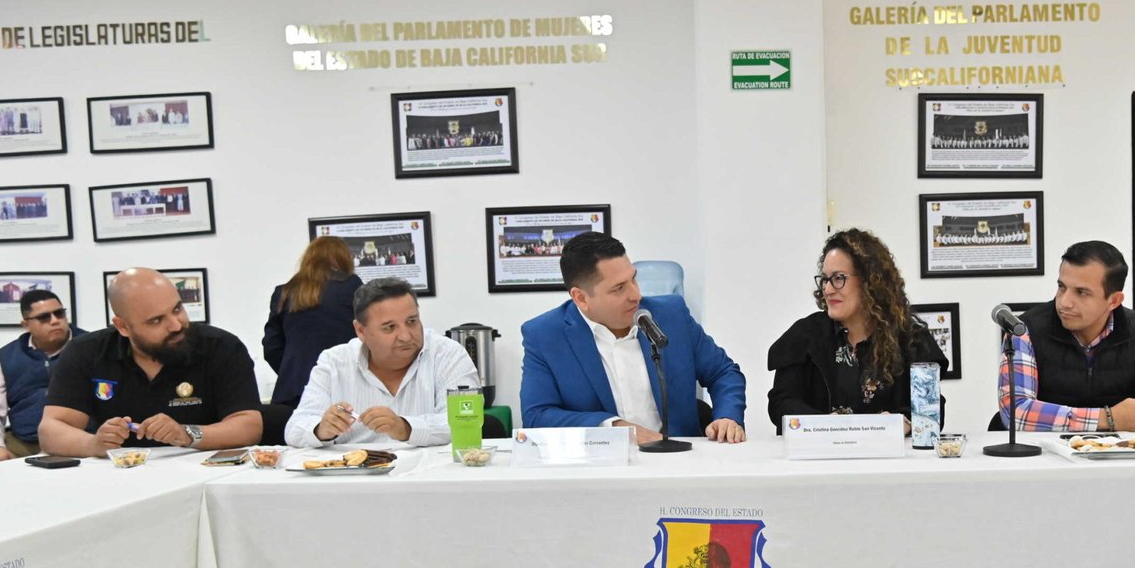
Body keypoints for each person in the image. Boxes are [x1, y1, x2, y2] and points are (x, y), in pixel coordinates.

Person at [519, 232, 746, 443]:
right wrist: (615, 427)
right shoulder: (544, 335)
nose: (636, 295)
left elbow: (723, 372)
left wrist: (727, 417)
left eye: (634, 279)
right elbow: (537, 415)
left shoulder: (672, 315)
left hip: (678, 458)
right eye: (619, 288)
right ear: (581, 298)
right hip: (598, 464)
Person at [39, 269, 263, 455]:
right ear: (123, 327)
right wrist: (94, 444)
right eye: (156, 320)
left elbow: (249, 426)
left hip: (203, 471)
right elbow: (51, 430)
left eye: (177, 309)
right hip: (119, 474)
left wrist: (187, 434)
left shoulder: (221, 347)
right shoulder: (86, 352)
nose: (176, 325)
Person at [767, 227, 946, 432]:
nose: (827, 289)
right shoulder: (806, 335)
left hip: (891, 452)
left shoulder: (912, 339)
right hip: (820, 450)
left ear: (870, 281)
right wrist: (824, 424)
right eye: (825, 279)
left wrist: (902, 423)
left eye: (838, 278)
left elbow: (930, 410)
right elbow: (781, 403)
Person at [999, 240, 1135, 431]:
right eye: (1062, 287)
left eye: (1081, 292)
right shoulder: (1024, 330)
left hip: (1120, 449)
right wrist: (1107, 419)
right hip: (1043, 449)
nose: (1065, 302)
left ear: (1114, 300)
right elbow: (1015, 413)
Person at [286, 277, 479, 448]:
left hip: (430, 473)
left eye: (412, 321)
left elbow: (466, 421)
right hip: (355, 474)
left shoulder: (448, 354)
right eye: (390, 327)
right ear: (361, 331)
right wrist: (321, 429)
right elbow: (294, 429)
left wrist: (406, 428)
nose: (405, 336)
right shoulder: (334, 362)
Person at [0, 290, 85, 470]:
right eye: (44, 317)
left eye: (59, 313)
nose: (54, 320)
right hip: (25, 441)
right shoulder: (7, 356)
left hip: (80, 438)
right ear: (26, 324)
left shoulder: (90, 346)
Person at [262, 235, 363, 407]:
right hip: (342, 387)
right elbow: (366, 336)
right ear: (344, 259)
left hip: (293, 390)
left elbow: (271, 346)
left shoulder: (284, 292)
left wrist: (291, 371)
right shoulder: (352, 286)